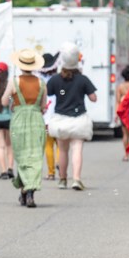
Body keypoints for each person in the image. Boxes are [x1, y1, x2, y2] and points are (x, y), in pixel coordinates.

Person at [46, 43, 97, 191]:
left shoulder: (55, 79)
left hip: (61, 120)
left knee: (62, 151)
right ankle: (76, 179)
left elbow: (48, 93)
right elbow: (93, 98)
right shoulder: (82, 79)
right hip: (79, 119)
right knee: (77, 149)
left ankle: (62, 180)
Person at [2, 49, 47, 207]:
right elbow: (43, 105)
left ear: (20, 65)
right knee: (35, 156)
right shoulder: (41, 83)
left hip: (19, 120)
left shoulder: (14, 82)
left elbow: (4, 101)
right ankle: (29, 192)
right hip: (36, 119)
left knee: (21, 156)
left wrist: (13, 99)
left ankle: (25, 190)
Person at [40, 53, 60, 179]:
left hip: (45, 118)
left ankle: (51, 173)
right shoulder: (59, 80)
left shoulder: (39, 81)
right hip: (58, 117)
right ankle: (59, 162)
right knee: (60, 145)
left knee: (48, 146)